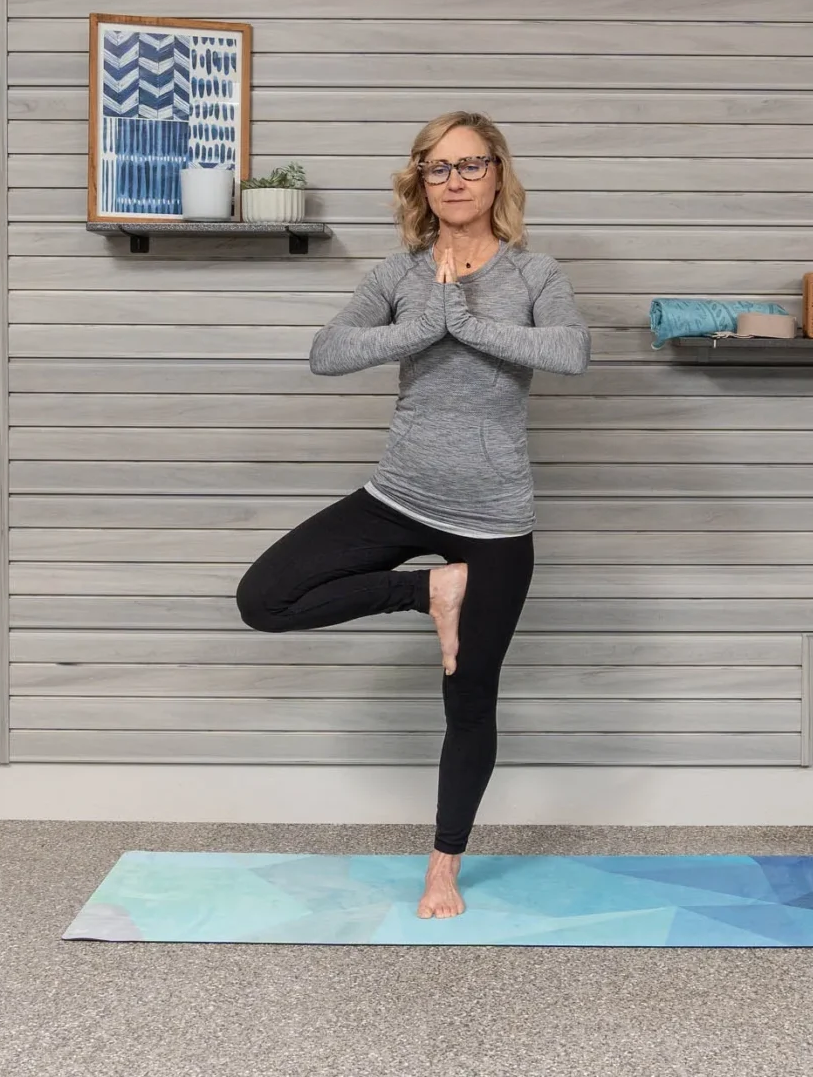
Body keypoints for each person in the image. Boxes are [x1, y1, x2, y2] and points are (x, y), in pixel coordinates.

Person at [235, 111, 591, 919]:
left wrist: (467, 323)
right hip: (397, 497)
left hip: (494, 520)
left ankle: (444, 865)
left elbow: (571, 353)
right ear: (420, 183)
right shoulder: (398, 275)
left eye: (470, 166)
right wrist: (418, 325)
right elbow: (326, 353)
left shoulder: (535, 276)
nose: (455, 181)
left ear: (497, 174)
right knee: (265, 600)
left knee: (469, 699)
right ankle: (427, 591)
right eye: (438, 169)